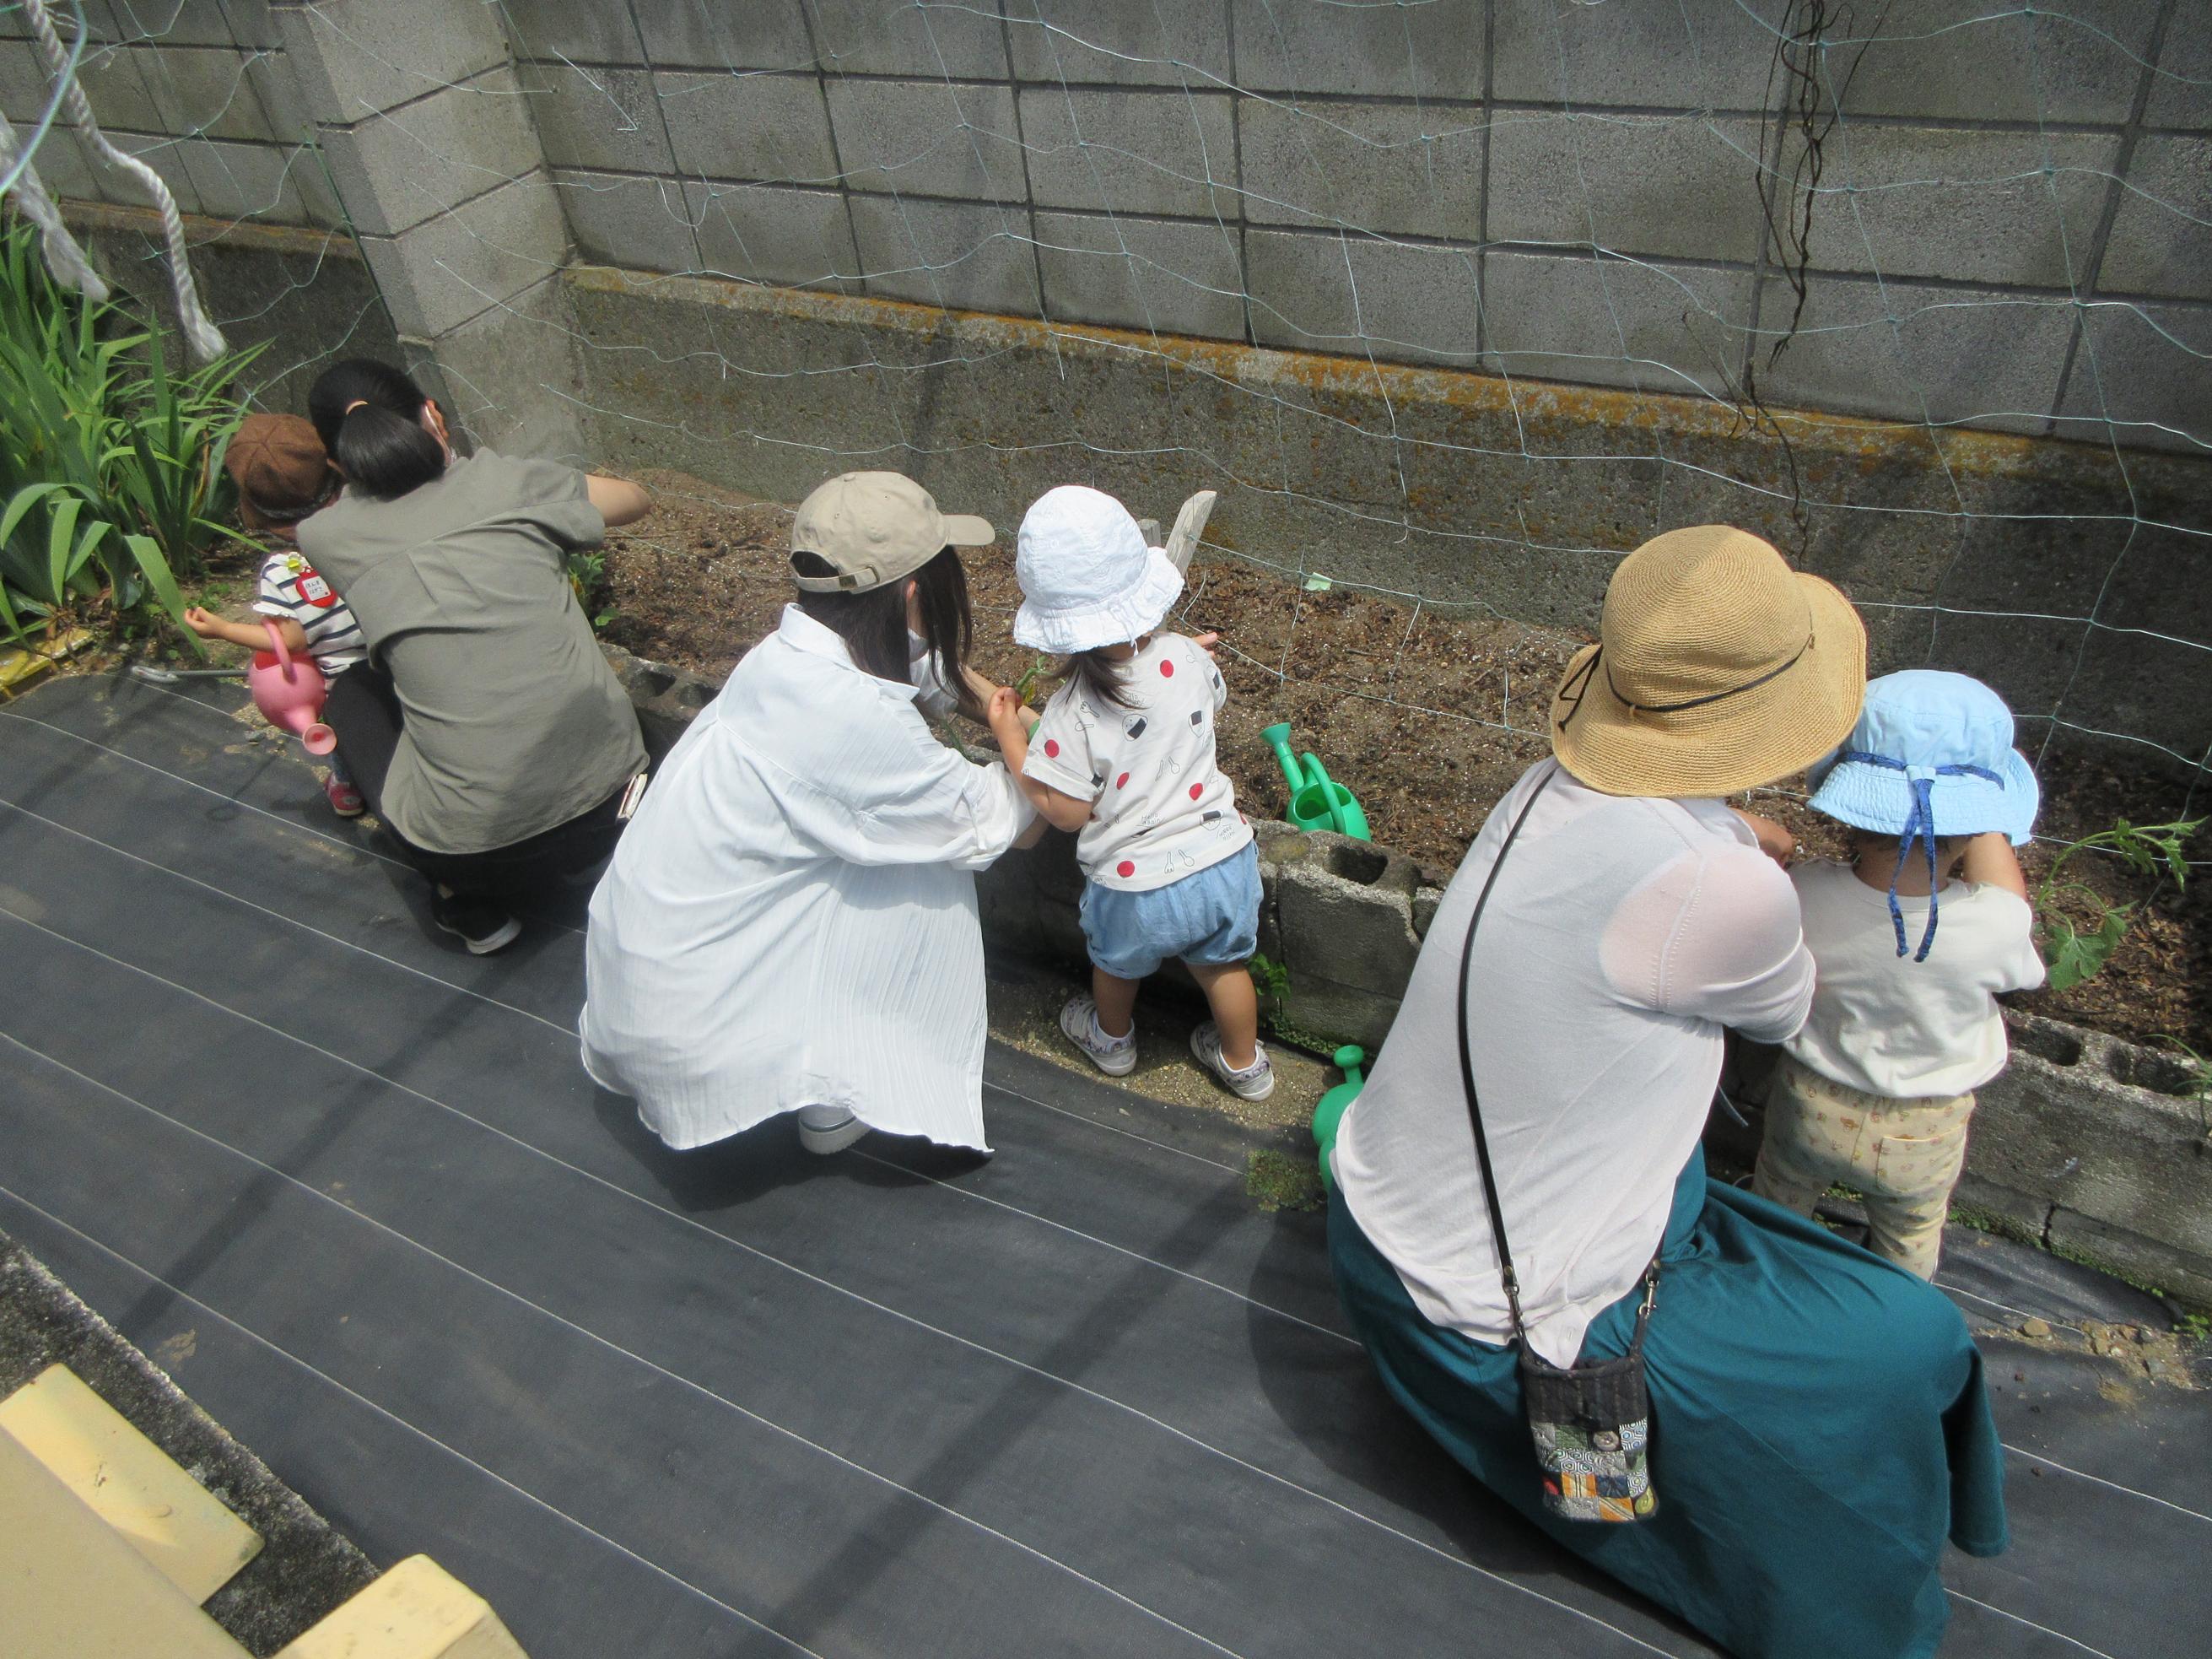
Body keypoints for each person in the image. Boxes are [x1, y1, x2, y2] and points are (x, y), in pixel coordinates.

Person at [1325, 527, 2006, 1659]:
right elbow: (1784, 1010)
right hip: (1491, 1325)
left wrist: (1731, 834)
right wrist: (1741, 864)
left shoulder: (1545, 783)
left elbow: (1650, 884)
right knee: (1916, 1337)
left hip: (1377, 1235)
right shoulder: (1721, 888)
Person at [580, 471, 1041, 1157]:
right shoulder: (856, 723)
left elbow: (927, 674)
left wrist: (1002, 705)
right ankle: (839, 1088)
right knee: (938, 861)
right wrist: (1039, 742)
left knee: (894, 835)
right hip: (700, 1036)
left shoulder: (786, 659)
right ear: (915, 593)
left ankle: (810, 1060)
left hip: (650, 992)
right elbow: (1018, 821)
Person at [293, 359, 654, 954]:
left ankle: (469, 906)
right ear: (433, 413)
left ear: (337, 464)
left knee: (353, 691)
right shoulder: (510, 484)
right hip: (622, 806)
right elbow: (635, 501)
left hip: (478, 859)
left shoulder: (323, 537)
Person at [1752, 669, 2045, 1278]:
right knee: (1911, 1233)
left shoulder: (1805, 895)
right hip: (1926, 1127)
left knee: (1778, 1201)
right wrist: (1975, 808)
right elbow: (2008, 897)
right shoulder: (1995, 923)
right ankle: (1899, 1316)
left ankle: (1767, 1279)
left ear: (1850, 805)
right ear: (1981, 825)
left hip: (1810, 1102)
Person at [988, 484, 1269, 1099]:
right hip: (1224, 861)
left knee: (1116, 969)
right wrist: (1177, 661)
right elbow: (1192, 703)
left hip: (1136, 889)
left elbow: (1064, 810)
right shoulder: (1189, 659)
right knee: (1224, 969)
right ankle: (1245, 1066)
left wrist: (1010, 735)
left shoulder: (1071, 710)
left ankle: (1110, 1041)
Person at [181, 413, 364, 817]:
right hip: (395, 656)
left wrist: (223, 629)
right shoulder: (365, 527)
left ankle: (348, 787)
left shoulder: (282, 571)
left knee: (337, 731)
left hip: (342, 683)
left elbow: (292, 641)